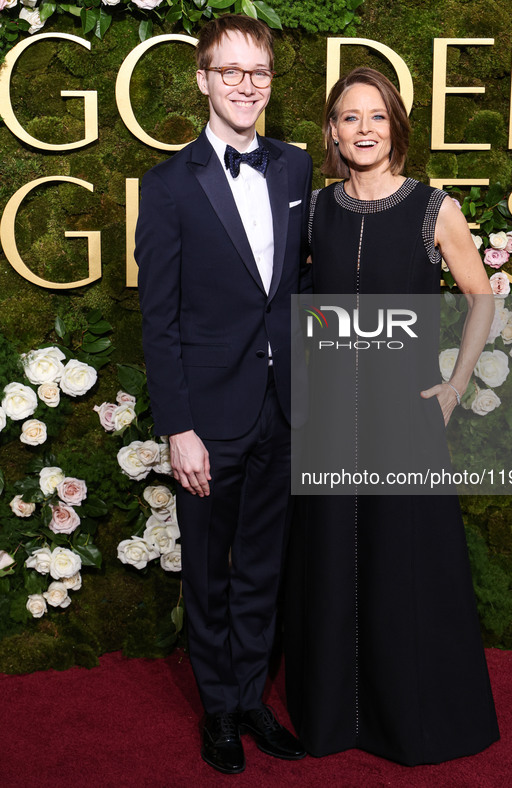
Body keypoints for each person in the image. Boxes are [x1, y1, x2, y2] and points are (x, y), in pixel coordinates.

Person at [284, 67, 500, 764]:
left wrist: (455, 384)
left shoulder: (433, 209)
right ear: (333, 132)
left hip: (402, 415)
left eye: (375, 116)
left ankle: (408, 721)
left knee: (400, 565)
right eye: (349, 118)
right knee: (328, 565)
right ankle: (332, 718)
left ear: (395, 126)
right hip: (325, 423)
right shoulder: (314, 211)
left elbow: (480, 296)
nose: (363, 129)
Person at [135, 14, 311, 775]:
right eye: (231, 71)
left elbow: (301, 287)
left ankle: (249, 698)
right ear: (203, 79)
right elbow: (159, 317)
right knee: (208, 572)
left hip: (286, 408)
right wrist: (179, 428)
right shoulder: (169, 185)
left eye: (259, 73)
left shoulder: (296, 167)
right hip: (209, 417)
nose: (247, 85)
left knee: (266, 567)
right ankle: (217, 712)